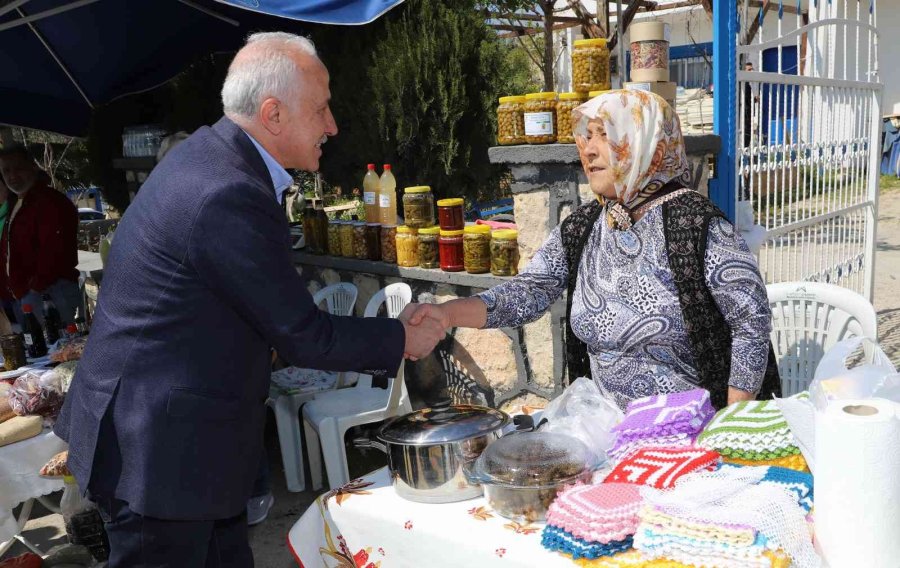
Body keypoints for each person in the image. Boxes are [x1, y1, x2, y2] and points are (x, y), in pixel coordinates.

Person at [54, 32, 446, 567]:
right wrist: (403, 335)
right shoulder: (226, 190)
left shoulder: (213, 162)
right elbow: (302, 333)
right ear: (274, 114)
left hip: (181, 452)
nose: (332, 125)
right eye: (323, 108)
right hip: (160, 459)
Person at [406, 90, 781, 411]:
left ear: (645, 142)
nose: (589, 149)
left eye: (606, 134)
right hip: (606, 431)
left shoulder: (697, 225)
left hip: (689, 432)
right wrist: (446, 314)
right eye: (587, 136)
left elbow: (750, 321)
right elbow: (529, 292)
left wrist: (732, 421)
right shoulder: (585, 225)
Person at [0, 146, 81, 326]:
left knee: (61, 350)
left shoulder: (49, 202)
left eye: (18, 168)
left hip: (51, 292)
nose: (12, 176)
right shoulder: (16, 202)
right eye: (6, 171)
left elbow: (53, 251)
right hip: (25, 296)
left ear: (32, 166)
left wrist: (34, 287)